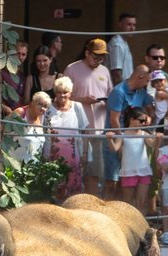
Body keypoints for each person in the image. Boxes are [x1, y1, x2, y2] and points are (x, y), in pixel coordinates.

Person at [63, 38, 113, 197]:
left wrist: (107, 101)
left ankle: (91, 207)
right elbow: (62, 99)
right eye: (96, 56)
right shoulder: (72, 69)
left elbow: (110, 93)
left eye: (102, 57)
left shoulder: (105, 71)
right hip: (76, 132)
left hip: (98, 132)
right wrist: (82, 100)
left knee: (94, 172)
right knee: (73, 171)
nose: (99, 61)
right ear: (87, 53)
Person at [104, 65, 153, 198]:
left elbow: (151, 108)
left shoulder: (141, 92)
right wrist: (121, 145)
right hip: (116, 139)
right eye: (146, 81)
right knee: (112, 180)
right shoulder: (118, 92)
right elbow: (114, 120)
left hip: (133, 142)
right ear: (140, 77)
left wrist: (148, 117)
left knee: (128, 182)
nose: (147, 84)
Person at [105, 106, 160, 215]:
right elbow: (114, 148)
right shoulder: (123, 135)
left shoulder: (144, 134)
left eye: (145, 121)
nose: (144, 123)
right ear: (132, 120)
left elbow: (152, 144)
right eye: (142, 120)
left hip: (144, 171)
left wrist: (158, 139)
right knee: (128, 203)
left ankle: (141, 226)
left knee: (141, 202)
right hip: (128, 172)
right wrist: (110, 139)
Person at [44, 76, 87, 200]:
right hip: (53, 155)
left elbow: (84, 133)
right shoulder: (48, 108)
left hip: (74, 154)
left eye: (65, 92)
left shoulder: (77, 107)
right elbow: (43, 131)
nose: (62, 95)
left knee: (73, 186)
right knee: (55, 186)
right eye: (59, 92)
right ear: (55, 92)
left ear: (70, 92)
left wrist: (85, 153)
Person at [6, 91, 51, 164]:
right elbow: (3, 129)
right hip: (13, 165)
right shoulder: (21, 112)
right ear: (32, 102)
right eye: (40, 104)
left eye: (45, 106)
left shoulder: (42, 118)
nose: (42, 108)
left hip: (32, 168)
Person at [107, 13, 137, 85]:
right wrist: (122, 91)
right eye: (129, 24)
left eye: (134, 25)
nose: (132, 28)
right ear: (120, 24)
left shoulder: (124, 43)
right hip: (120, 89)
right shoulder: (117, 44)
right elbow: (116, 73)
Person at [1, 40, 28, 115]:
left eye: (23, 54)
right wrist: (4, 108)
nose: (20, 57)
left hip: (19, 117)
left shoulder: (22, 76)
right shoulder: (2, 73)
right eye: (18, 53)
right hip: (4, 116)